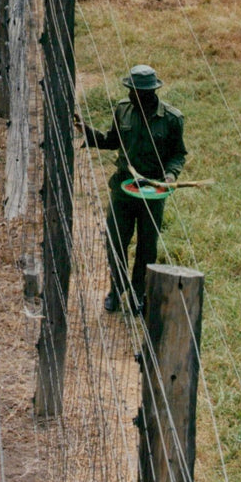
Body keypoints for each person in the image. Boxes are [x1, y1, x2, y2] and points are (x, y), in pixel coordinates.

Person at [79, 64, 186, 314]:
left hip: (153, 193)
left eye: (135, 91)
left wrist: (170, 175)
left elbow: (178, 154)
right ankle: (116, 289)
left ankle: (139, 294)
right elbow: (112, 140)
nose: (130, 94)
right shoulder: (123, 110)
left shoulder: (171, 119)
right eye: (130, 89)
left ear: (149, 93)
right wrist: (86, 130)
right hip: (123, 190)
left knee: (147, 247)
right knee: (116, 242)